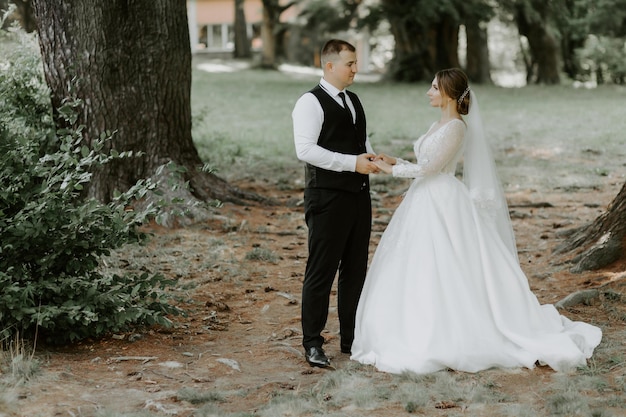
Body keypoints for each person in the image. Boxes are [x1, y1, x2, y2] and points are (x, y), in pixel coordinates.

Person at [350, 68, 602, 374]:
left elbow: (431, 171)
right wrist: (394, 161)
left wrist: (391, 172)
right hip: (425, 198)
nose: (428, 92)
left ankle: (453, 330)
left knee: (446, 262)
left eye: (433, 87)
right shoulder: (437, 124)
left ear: (448, 94)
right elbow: (426, 164)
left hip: (442, 199)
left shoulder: (456, 127)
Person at [292, 39, 380, 368]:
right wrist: (351, 163)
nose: (355, 69)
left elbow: (360, 141)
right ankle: (312, 342)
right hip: (327, 198)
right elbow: (306, 150)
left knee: (355, 270)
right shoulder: (309, 103)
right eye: (350, 64)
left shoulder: (354, 100)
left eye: (356, 63)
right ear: (329, 66)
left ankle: (350, 338)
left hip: (359, 195)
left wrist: (373, 159)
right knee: (321, 271)